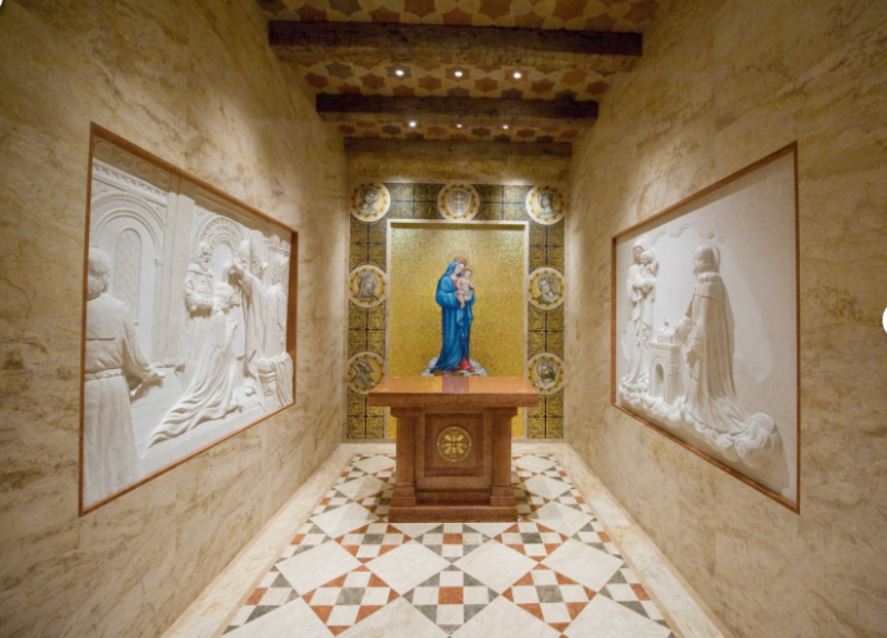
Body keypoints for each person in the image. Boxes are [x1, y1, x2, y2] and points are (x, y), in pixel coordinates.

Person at [83, 248, 162, 505]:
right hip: (111, 390)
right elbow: (134, 358)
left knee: (88, 450)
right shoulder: (117, 310)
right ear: (103, 276)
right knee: (115, 448)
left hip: (83, 391)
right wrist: (150, 375)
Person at [150, 283, 243, 444]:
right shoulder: (220, 317)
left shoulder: (215, 315)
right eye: (228, 300)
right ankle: (221, 404)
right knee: (231, 367)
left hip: (212, 360)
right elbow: (222, 347)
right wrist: (231, 328)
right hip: (217, 364)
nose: (230, 303)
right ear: (224, 300)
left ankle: (226, 400)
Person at [178, 241, 214, 386]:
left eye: (209, 255)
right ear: (199, 255)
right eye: (204, 254)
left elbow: (214, 297)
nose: (207, 257)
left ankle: (203, 383)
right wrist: (202, 301)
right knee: (194, 349)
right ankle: (190, 382)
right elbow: (188, 294)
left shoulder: (210, 273)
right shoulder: (193, 270)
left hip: (207, 319)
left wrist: (208, 301)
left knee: (205, 351)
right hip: (195, 319)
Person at [430, 258, 476, 373]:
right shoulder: (445, 279)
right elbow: (440, 296)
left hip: (463, 313)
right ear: (453, 266)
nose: (460, 269)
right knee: (451, 337)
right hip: (451, 315)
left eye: (462, 268)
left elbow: (470, 296)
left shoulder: (462, 279)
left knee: (463, 336)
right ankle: (449, 363)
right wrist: (455, 295)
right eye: (458, 267)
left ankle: (463, 361)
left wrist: (470, 292)